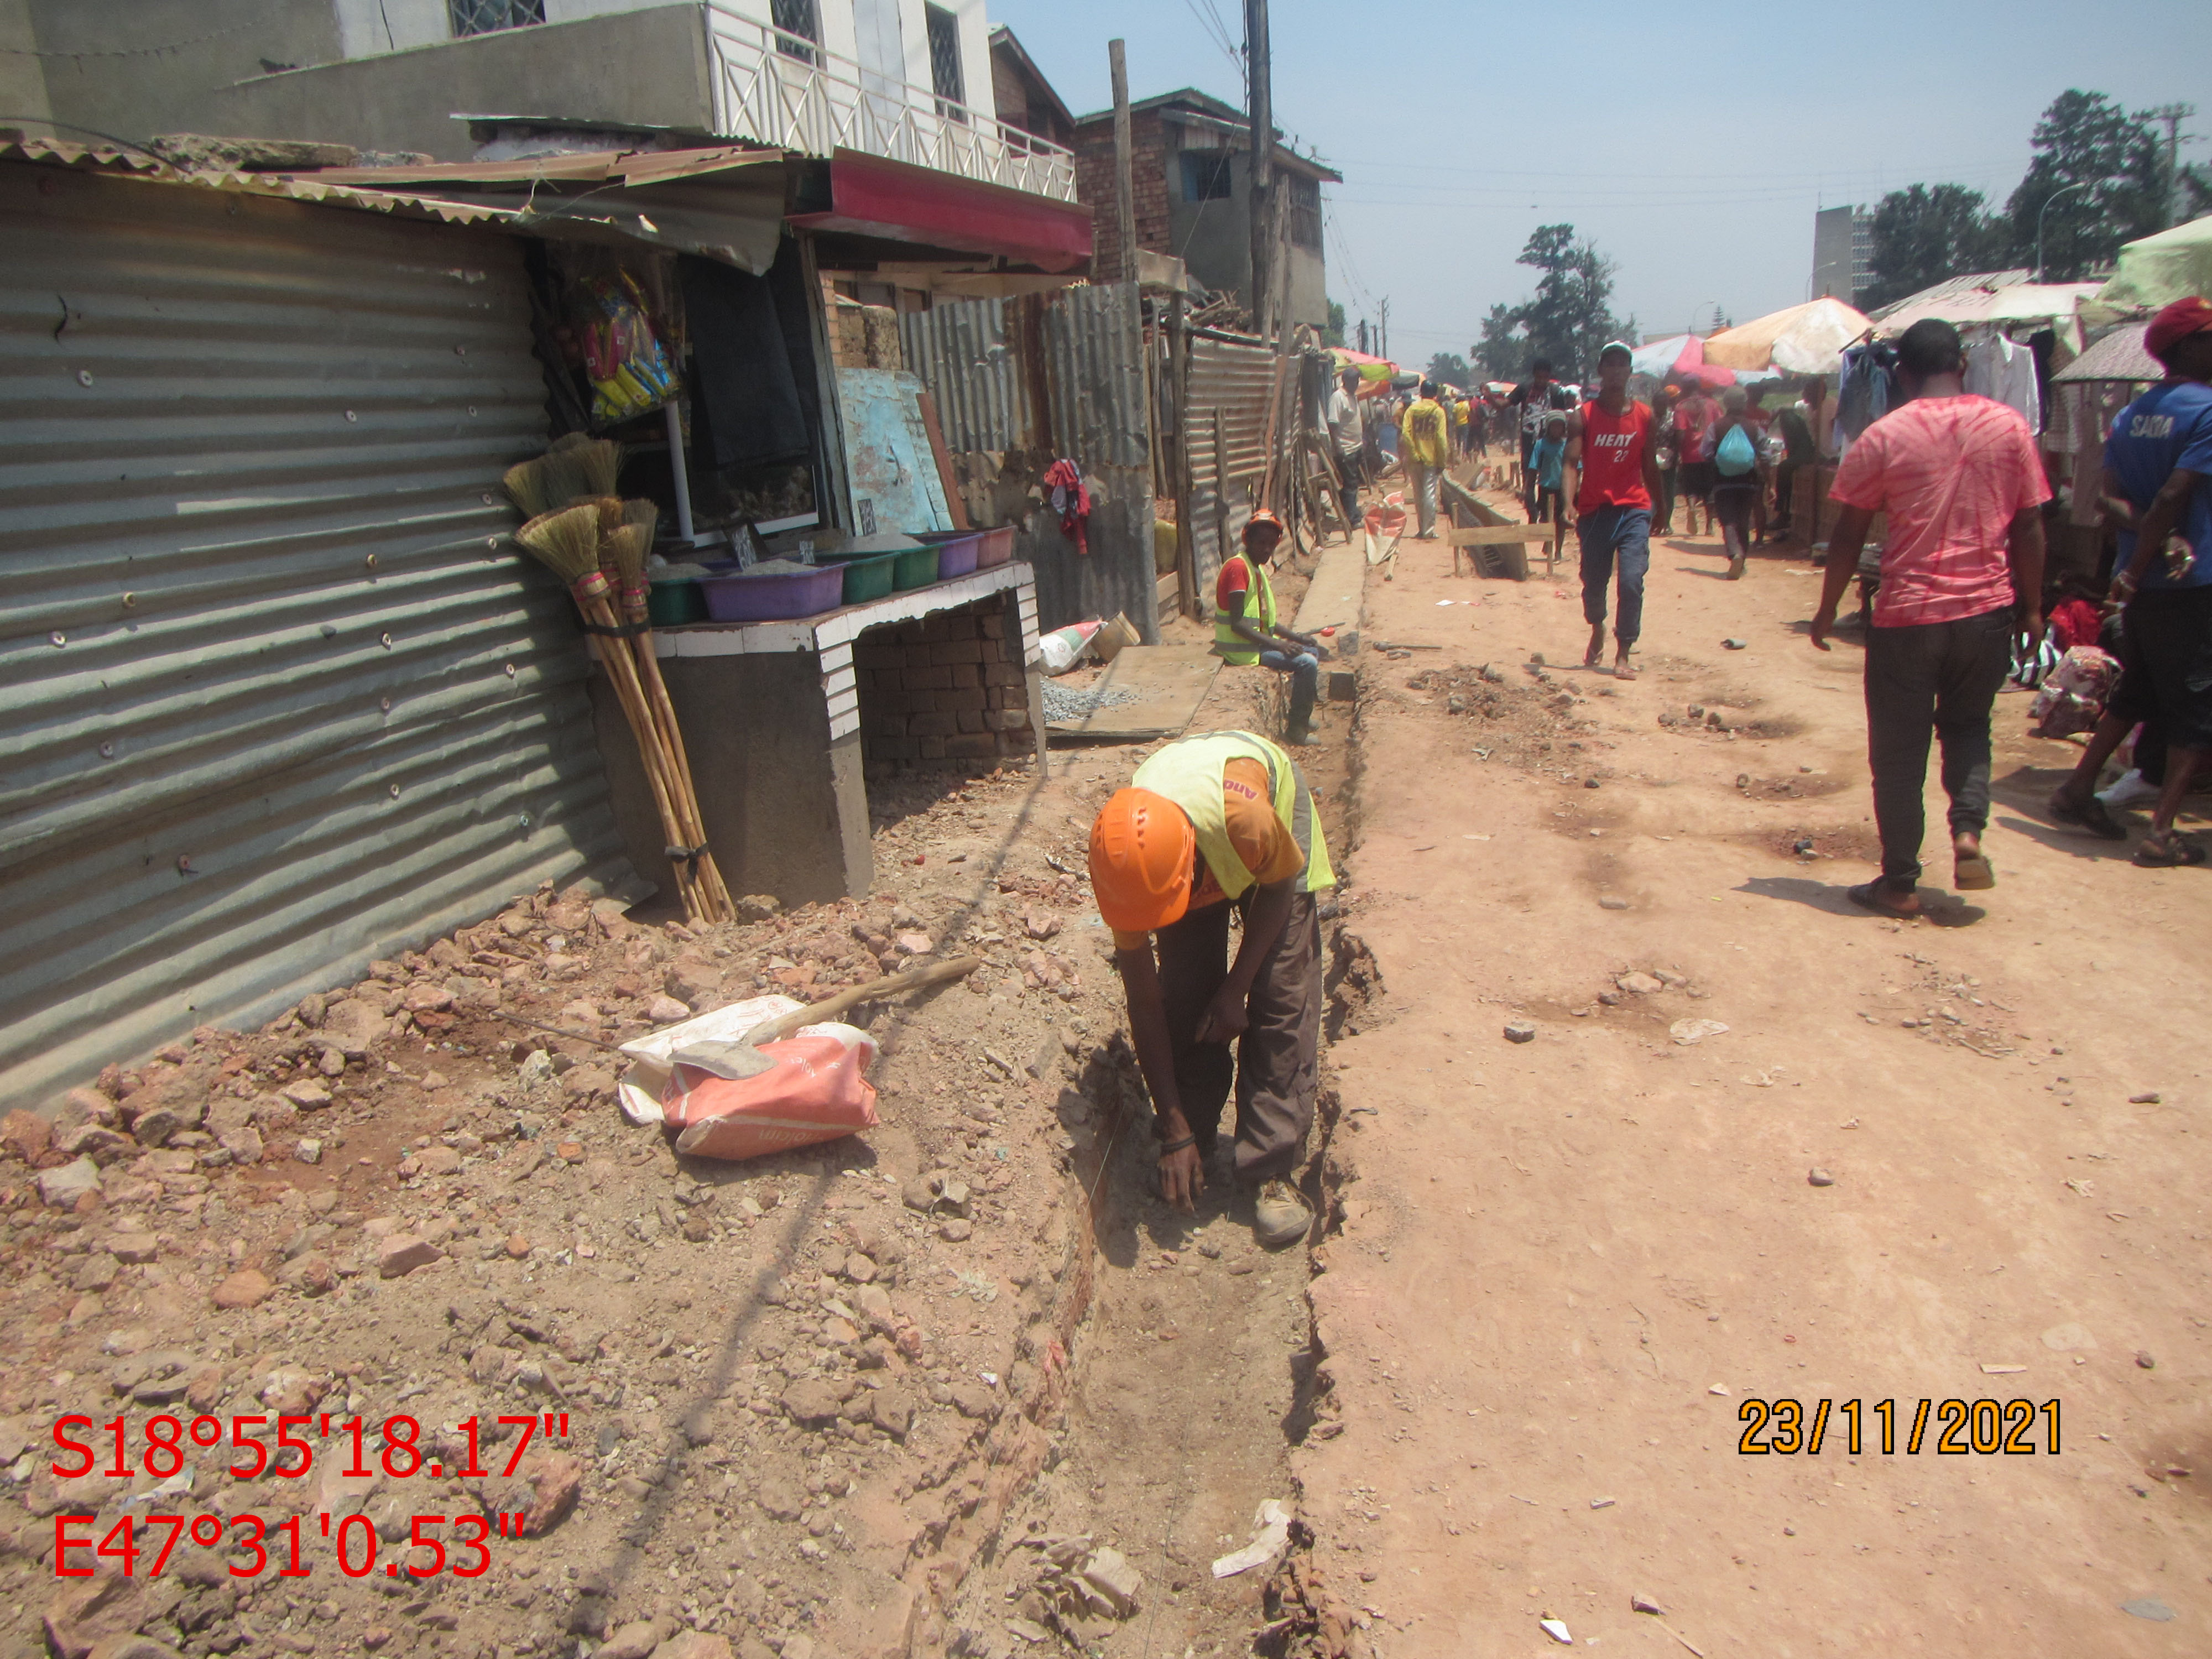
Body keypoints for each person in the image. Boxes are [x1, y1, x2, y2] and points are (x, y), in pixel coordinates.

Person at [1811, 318, 2049, 916]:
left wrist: (1826, 609)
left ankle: (1899, 882)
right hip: (1987, 611)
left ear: (1902, 373)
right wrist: (2035, 607)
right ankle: (1967, 832)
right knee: (1969, 727)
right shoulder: (2009, 427)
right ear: (1962, 365)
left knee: (1898, 752)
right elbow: (2029, 524)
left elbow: (1847, 536)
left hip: (1909, 616)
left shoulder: (1883, 436)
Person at [1087, 731, 1334, 1246]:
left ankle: (1271, 1168)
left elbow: (1279, 888)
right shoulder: (1124, 866)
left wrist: (1237, 988)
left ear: (1188, 866)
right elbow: (1146, 1002)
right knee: (1186, 996)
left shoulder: (1247, 821)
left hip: (1266, 845)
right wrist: (1173, 1128)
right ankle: (1192, 1136)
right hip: (1187, 842)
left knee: (1279, 997)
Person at [2044, 294, 2212, 867]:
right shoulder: (2208, 411)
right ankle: (2161, 832)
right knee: (2195, 708)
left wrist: (2134, 568)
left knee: (2140, 691)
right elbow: (2173, 495)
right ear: (2188, 345)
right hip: (2191, 585)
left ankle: (2076, 787)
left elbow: (2107, 499)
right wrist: (2154, 555)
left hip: (2138, 587)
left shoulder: (2130, 416)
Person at [1562, 340, 1662, 679]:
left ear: (1630, 372)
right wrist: (1567, 502)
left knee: (1632, 579)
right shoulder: (1584, 417)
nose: (1618, 370)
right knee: (1594, 581)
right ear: (1601, 371)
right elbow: (1571, 463)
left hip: (1634, 508)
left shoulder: (1645, 416)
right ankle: (1597, 627)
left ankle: (1623, 653)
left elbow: (1650, 465)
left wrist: (1661, 507)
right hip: (1594, 511)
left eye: (1624, 364)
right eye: (1611, 364)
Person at [1215, 509, 1329, 745]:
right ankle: (1296, 729)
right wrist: (1279, 644)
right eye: (1261, 543)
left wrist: (1298, 638)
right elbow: (1238, 624)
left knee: (1312, 651)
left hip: (1253, 643)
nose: (1267, 549)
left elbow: (1268, 623)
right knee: (1307, 664)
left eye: (1271, 544)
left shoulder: (1255, 569)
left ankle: (1302, 715)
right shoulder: (1239, 569)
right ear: (1249, 541)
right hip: (1241, 650)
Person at [1708, 387, 1765, 580]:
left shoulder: (1716, 426)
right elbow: (1766, 452)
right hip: (1748, 482)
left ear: (1726, 403)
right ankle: (1743, 561)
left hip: (1723, 482)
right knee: (1743, 520)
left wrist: (1717, 460)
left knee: (1728, 520)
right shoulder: (1754, 427)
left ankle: (1735, 554)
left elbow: (1705, 451)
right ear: (1744, 403)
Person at [1399, 380, 1451, 539]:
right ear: (1435, 395)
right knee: (1429, 495)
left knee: (1418, 494)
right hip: (1432, 459)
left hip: (1414, 461)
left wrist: (1414, 454)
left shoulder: (1412, 411)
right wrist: (1442, 461)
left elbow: (1406, 435)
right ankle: (1429, 531)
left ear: (1421, 393)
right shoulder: (1439, 412)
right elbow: (1441, 439)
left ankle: (1421, 529)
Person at [1773, 379, 1822, 539]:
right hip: (1808, 451)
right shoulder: (1799, 412)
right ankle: (1783, 512)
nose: (1803, 394)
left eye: (1806, 391)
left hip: (1809, 453)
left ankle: (1783, 513)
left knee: (1783, 469)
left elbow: (1793, 441)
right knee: (1784, 468)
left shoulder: (1788, 418)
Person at [1674, 378, 1719, 536]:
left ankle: (1692, 508)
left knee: (1691, 487)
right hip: (1709, 453)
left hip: (1689, 455)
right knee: (1709, 489)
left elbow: (1680, 432)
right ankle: (1709, 526)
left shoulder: (1680, 407)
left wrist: (1678, 453)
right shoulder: (1712, 404)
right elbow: (1719, 426)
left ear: (1684, 388)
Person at [1327, 366, 1366, 529]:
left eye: (1358, 381)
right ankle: (1352, 519)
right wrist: (1338, 447)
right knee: (1350, 484)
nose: (1357, 384)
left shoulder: (1352, 396)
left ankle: (1351, 512)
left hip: (1356, 447)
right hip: (1346, 448)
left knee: (1353, 483)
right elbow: (1333, 424)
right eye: (1355, 381)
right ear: (1346, 381)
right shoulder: (1338, 397)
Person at [1530, 413, 1568, 555]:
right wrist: (1528, 489)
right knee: (1546, 518)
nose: (1557, 430)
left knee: (1561, 520)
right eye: (1554, 426)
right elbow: (1533, 467)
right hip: (1545, 487)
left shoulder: (1567, 446)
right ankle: (1548, 542)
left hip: (1562, 488)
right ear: (1548, 427)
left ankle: (1558, 550)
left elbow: (1577, 467)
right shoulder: (1541, 445)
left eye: (1560, 427)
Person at [1648, 383, 1682, 535]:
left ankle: (1667, 523)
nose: (1660, 407)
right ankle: (1653, 522)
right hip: (1651, 460)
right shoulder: (1649, 417)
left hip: (1670, 459)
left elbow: (1679, 437)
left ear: (1667, 403)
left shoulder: (1674, 418)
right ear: (1653, 404)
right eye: (1657, 404)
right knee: (1652, 491)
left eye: (1663, 404)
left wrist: (1676, 456)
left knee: (1668, 492)